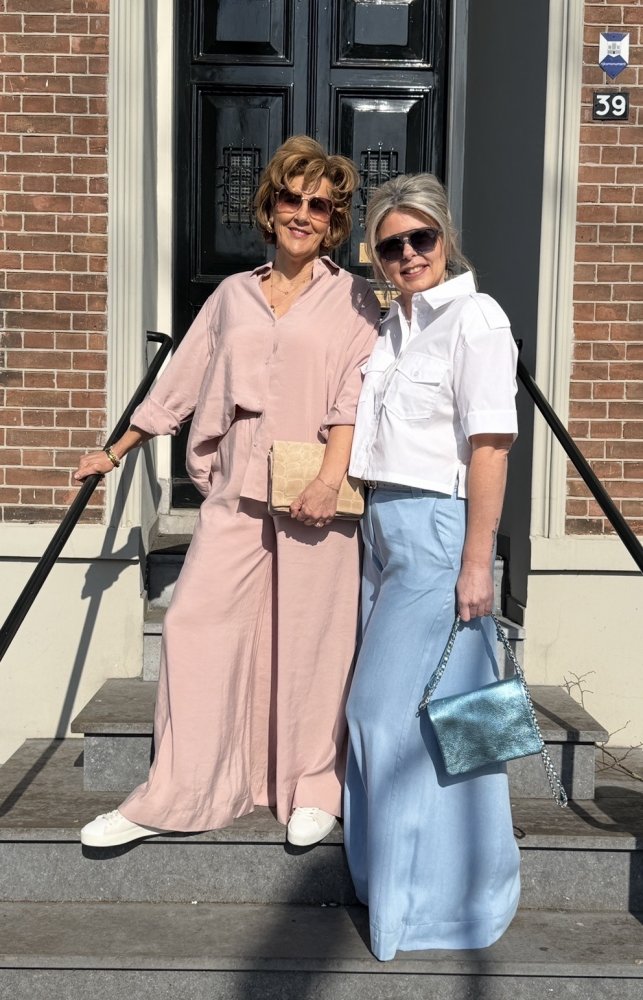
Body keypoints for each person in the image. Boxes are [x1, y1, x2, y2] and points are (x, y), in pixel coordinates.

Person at [76, 135, 380, 849]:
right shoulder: (232, 295)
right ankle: (179, 791)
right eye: (291, 199)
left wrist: (329, 480)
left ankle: (312, 786)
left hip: (315, 492)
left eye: (320, 206)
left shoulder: (355, 299)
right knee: (194, 624)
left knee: (311, 640)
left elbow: (354, 398)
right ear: (269, 208)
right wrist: (116, 451)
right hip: (237, 485)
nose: (302, 214)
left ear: (334, 222)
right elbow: (180, 380)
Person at [345, 173, 520, 960]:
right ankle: (456, 896)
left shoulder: (476, 319)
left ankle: (418, 910)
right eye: (391, 245)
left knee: (379, 716)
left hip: (439, 534)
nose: (408, 254)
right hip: (384, 529)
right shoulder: (394, 326)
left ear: (446, 237)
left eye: (421, 238)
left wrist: (477, 562)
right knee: (457, 718)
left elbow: (490, 448)